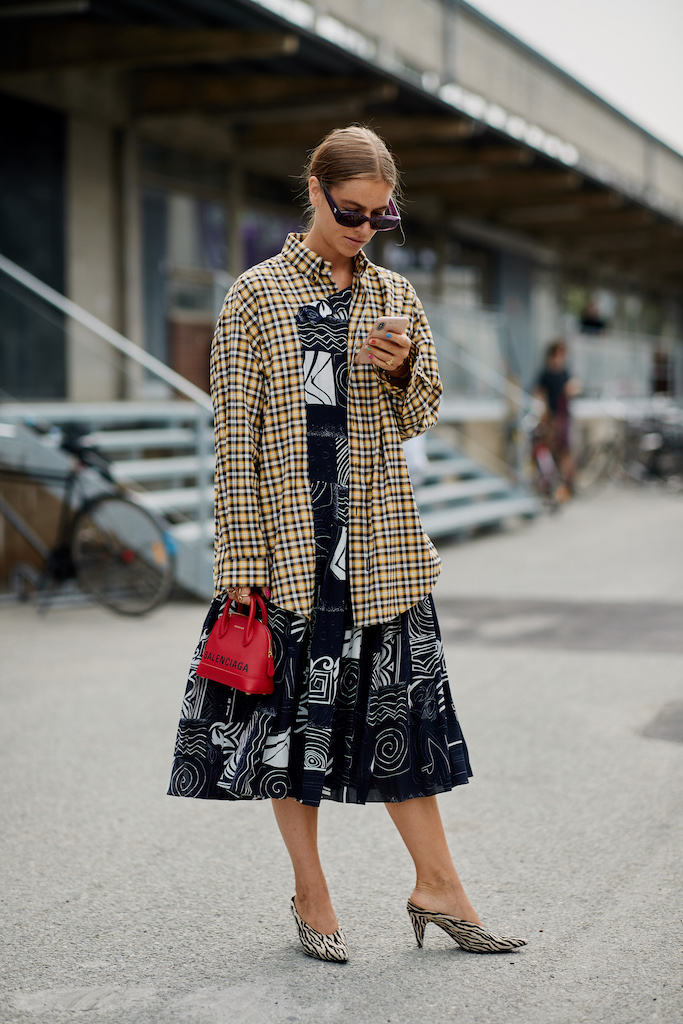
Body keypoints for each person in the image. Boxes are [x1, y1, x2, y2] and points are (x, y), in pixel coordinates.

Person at [168, 126, 526, 962]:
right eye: (351, 211)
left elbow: (421, 412)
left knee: (409, 723)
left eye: (380, 215)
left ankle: (438, 886)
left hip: (381, 551)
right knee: (296, 732)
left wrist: (402, 371)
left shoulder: (393, 298)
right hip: (293, 555)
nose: (365, 227)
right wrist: (239, 563)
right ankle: (311, 891)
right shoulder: (254, 296)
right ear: (316, 191)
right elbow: (236, 440)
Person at [534, 339, 581, 497]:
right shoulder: (547, 373)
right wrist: (542, 412)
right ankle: (550, 484)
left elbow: (574, 388)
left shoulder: (564, 373)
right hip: (552, 417)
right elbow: (538, 392)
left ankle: (569, 485)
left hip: (564, 416)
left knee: (566, 451)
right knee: (551, 449)